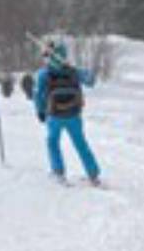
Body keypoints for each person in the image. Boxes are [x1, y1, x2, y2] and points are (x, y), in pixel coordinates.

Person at [34, 40, 102, 186]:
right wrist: (77, 70)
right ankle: (93, 174)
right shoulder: (73, 72)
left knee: (52, 142)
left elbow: (38, 94)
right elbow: (91, 81)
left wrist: (40, 111)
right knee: (80, 144)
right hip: (74, 115)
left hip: (54, 115)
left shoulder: (44, 74)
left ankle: (58, 172)